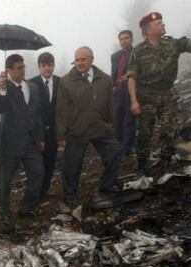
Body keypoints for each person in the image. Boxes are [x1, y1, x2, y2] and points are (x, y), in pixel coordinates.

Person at [56, 47, 122, 206]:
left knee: (115, 153)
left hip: (101, 128)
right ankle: (70, 195)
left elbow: (110, 104)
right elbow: (61, 110)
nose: (79, 63)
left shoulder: (104, 79)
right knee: (71, 166)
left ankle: (107, 186)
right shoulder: (66, 82)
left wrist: (112, 125)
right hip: (78, 131)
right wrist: (61, 135)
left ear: (91, 59)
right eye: (77, 60)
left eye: (83, 59)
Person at [127, 12, 191, 175]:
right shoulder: (138, 51)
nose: (163, 25)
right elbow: (132, 78)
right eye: (159, 23)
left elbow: (187, 43)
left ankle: (166, 161)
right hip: (146, 96)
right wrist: (134, 101)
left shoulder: (172, 44)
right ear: (148, 30)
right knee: (144, 132)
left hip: (167, 94)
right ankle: (142, 163)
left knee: (168, 130)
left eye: (162, 22)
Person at [0, 54, 44, 224]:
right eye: (19, 68)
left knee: (38, 173)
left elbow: (36, 115)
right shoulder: (2, 89)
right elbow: (1, 108)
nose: (23, 70)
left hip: (31, 142)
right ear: (9, 70)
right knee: (5, 182)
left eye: (23, 67)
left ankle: (26, 207)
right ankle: (5, 212)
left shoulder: (33, 87)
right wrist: (2, 87)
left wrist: (40, 137)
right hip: (10, 144)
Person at [29, 52, 61, 198]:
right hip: (36, 132)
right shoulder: (30, 84)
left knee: (50, 163)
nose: (47, 68)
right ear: (39, 67)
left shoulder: (61, 82)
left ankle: (44, 191)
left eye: (50, 65)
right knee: (36, 165)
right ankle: (34, 193)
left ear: (54, 65)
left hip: (54, 131)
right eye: (44, 65)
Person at [111, 30, 136, 156]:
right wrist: (113, 88)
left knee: (129, 120)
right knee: (117, 120)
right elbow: (113, 73)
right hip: (118, 92)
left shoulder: (137, 53)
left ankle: (126, 148)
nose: (124, 41)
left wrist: (129, 76)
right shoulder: (115, 56)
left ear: (131, 39)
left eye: (126, 38)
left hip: (131, 91)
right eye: (121, 39)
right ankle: (119, 146)